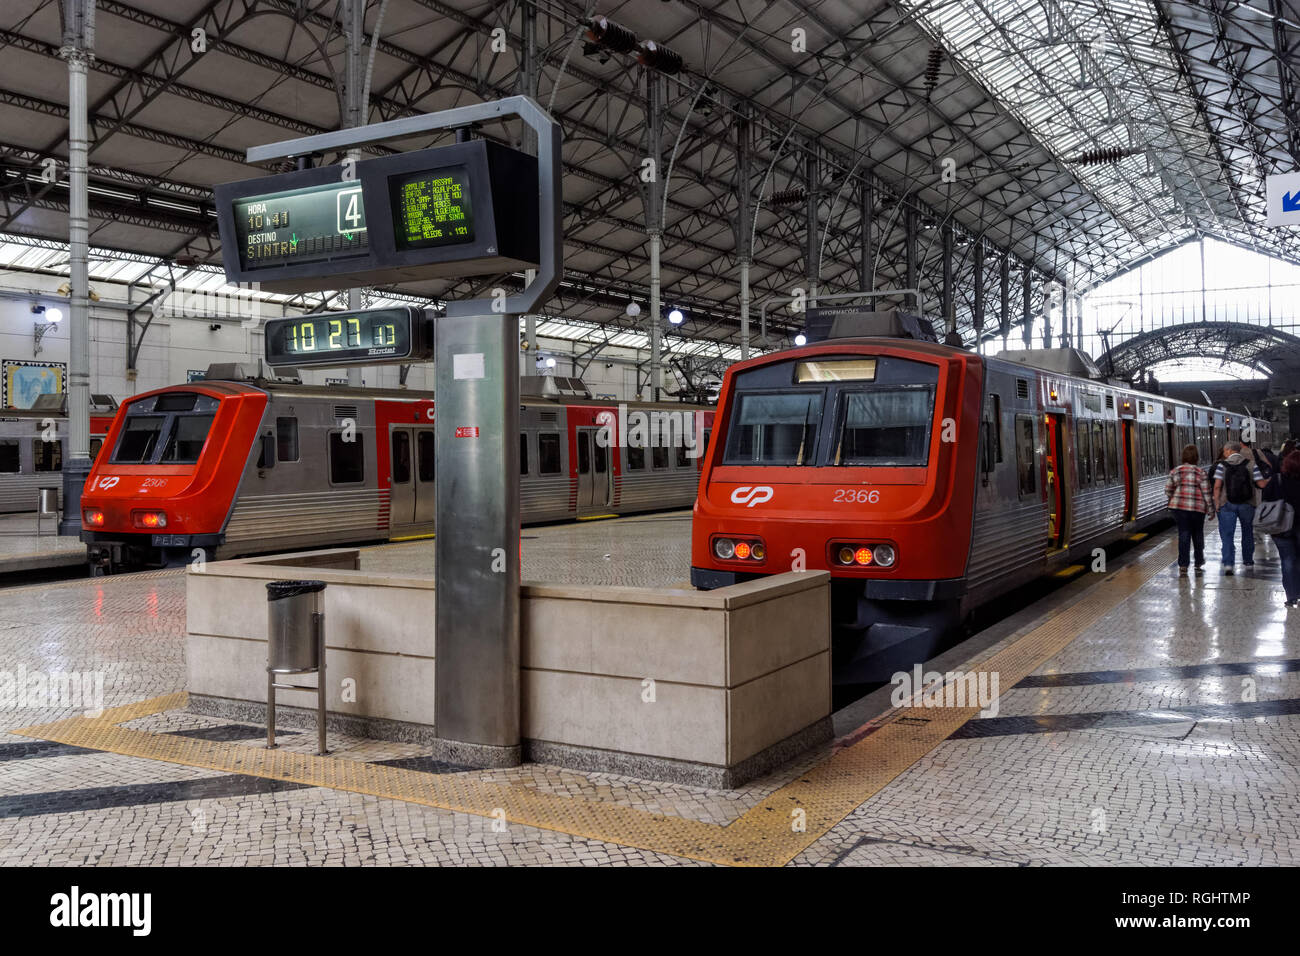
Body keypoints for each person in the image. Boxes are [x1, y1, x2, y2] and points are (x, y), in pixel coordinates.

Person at [1212, 441, 1268, 574]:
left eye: (1225, 450)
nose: (1224, 452)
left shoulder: (1221, 465)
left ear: (1229, 451)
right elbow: (1261, 484)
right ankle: (1248, 562)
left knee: (1227, 535)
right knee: (1247, 532)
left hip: (1227, 504)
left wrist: (1217, 502)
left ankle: (1228, 564)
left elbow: (1217, 486)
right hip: (1247, 504)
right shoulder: (1251, 464)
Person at [1165, 444, 1214, 575]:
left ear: (1183, 456)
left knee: (1184, 534)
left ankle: (1183, 565)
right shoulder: (1201, 472)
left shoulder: (1175, 471)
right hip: (1198, 509)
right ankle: (1198, 562)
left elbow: (1168, 489)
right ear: (1196, 457)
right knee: (1198, 534)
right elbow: (1207, 492)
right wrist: (1211, 510)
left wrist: (1174, 497)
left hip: (1179, 508)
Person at [1268, 450, 1300, 607]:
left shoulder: (1277, 479)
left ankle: (1292, 597)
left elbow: (1266, 499)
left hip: (1281, 526)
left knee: (1287, 560)